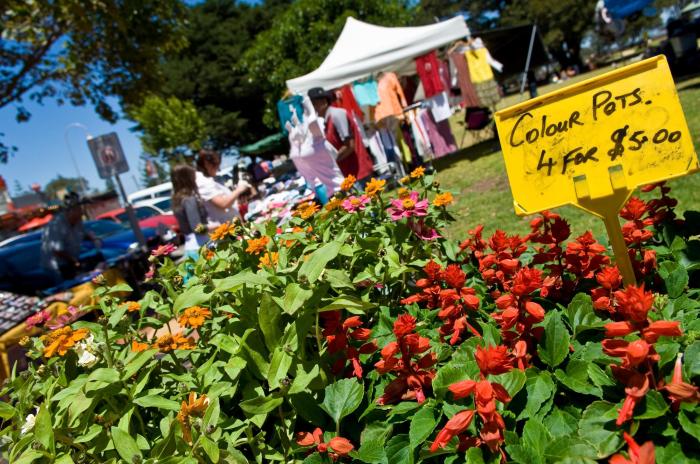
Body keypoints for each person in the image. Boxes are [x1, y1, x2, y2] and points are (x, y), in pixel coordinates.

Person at [308, 87, 374, 182]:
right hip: (350, 174)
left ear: (324, 102)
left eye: (313, 104)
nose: (313, 108)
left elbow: (349, 146)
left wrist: (331, 162)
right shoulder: (328, 120)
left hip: (358, 173)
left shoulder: (336, 115)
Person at [40, 192, 97, 285]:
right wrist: (75, 262)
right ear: (71, 210)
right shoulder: (56, 224)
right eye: (79, 209)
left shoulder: (78, 222)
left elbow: (84, 234)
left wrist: (93, 238)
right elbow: (57, 250)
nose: (82, 213)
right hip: (56, 268)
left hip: (70, 262)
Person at [195, 149, 251, 224]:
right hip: (226, 228)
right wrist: (239, 189)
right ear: (207, 164)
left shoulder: (206, 180)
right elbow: (223, 203)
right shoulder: (203, 181)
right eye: (216, 165)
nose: (218, 169)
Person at [171, 165, 214, 259]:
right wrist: (215, 226)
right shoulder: (189, 199)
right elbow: (197, 228)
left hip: (190, 247)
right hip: (201, 246)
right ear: (188, 179)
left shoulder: (177, 200)